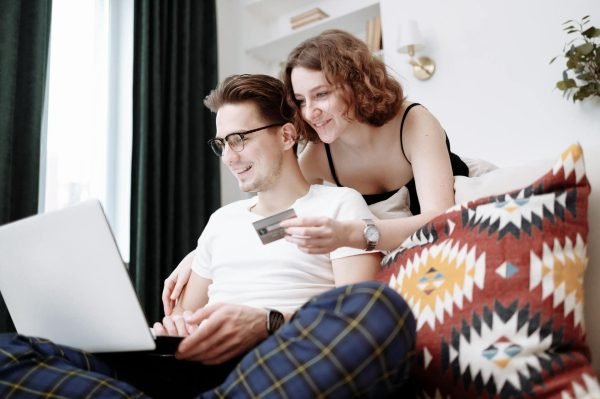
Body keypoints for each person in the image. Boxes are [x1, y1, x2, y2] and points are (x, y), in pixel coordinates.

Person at [0, 74, 416, 398]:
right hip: (186, 373)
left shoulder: (339, 206)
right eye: (222, 144)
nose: (230, 157)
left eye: (239, 140)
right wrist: (173, 328)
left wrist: (266, 324)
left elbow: (348, 310)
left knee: (377, 308)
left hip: (277, 360)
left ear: (287, 135)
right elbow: (181, 317)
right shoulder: (222, 221)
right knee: (8, 350)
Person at [163, 29, 469, 309]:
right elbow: (283, 215)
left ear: (357, 84)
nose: (310, 112)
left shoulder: (413, 123)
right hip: (372, 231)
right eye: (301, 100)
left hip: (435, 210)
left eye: (321, 94)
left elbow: (439, 222)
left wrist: (351, 233)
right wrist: (203, 254)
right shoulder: (321, 151)